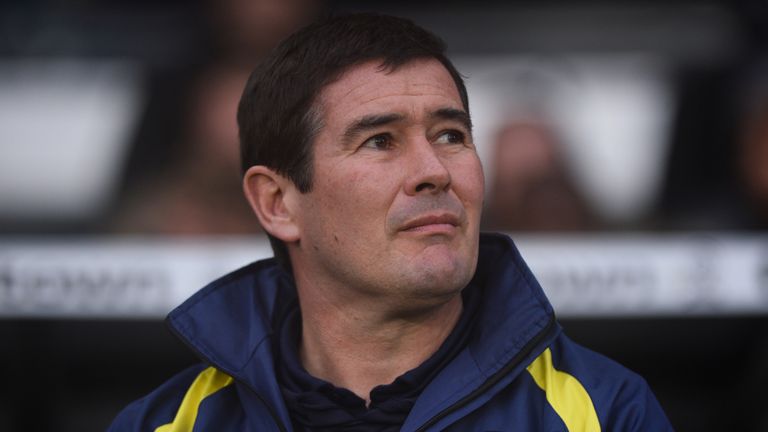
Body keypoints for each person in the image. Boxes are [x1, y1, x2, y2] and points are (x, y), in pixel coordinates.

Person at [108, 13, 673, 431]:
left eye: (451, 136)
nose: (434, 172)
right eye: (380, 141)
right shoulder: (164, 424)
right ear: (277, 203)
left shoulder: (606, 412)